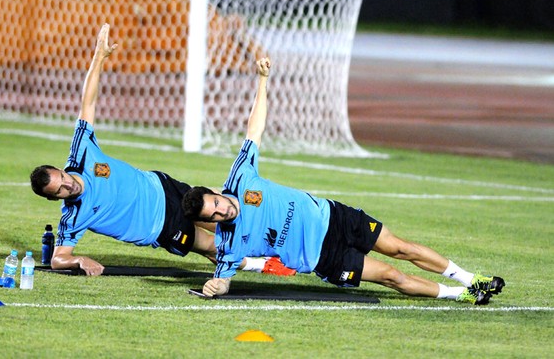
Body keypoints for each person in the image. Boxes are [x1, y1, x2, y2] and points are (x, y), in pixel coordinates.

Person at [181, 57, 505, 305]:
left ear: (216, 194)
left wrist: (263, 81)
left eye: (218, 204)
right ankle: (460, 295)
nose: (223, 212)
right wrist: (216, 286)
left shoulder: (240, 178)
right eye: (215, 216)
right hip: (325, 257)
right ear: (210, 222)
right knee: (391, 276)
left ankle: (471, 278)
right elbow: (223, 279)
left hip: (334, 216)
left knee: (399, 247)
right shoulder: (228, 244)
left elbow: (255, 129)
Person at [29, 24, 295, 277]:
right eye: (60, 190)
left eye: (62, 178)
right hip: (161, 227)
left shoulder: (81, 154)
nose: (68, 185)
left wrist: (99, 57)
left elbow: (87, 103)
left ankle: (282, 242)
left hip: (163, 187)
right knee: (214, 245)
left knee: (224, 203)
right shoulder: (73, 215)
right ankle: (262, 265)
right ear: (55, 199)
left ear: (61, 170)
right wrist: (77, 260)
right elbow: (57, 258)